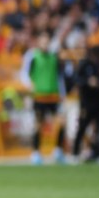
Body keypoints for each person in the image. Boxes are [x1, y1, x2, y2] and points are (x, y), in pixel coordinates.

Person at [20, 31, 67, 164]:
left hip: (53, 96)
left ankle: (58, 151)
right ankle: (36, 153)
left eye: (47, 42)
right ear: (38, 42)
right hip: (39, 96)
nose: (45, 44)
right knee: (38, 126)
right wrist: (31, 87)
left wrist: (63, 94)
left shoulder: (54, 57)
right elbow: (24, 74)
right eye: (43, 42)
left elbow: (59, 78)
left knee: (61, 123)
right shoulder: (32, 56)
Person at [73, 43, 99, 161]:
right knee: (82, 127)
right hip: (87, 102)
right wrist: (88, 81)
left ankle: (98, 153)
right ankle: (75, 152)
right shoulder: (84, 64)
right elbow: (77, 79)